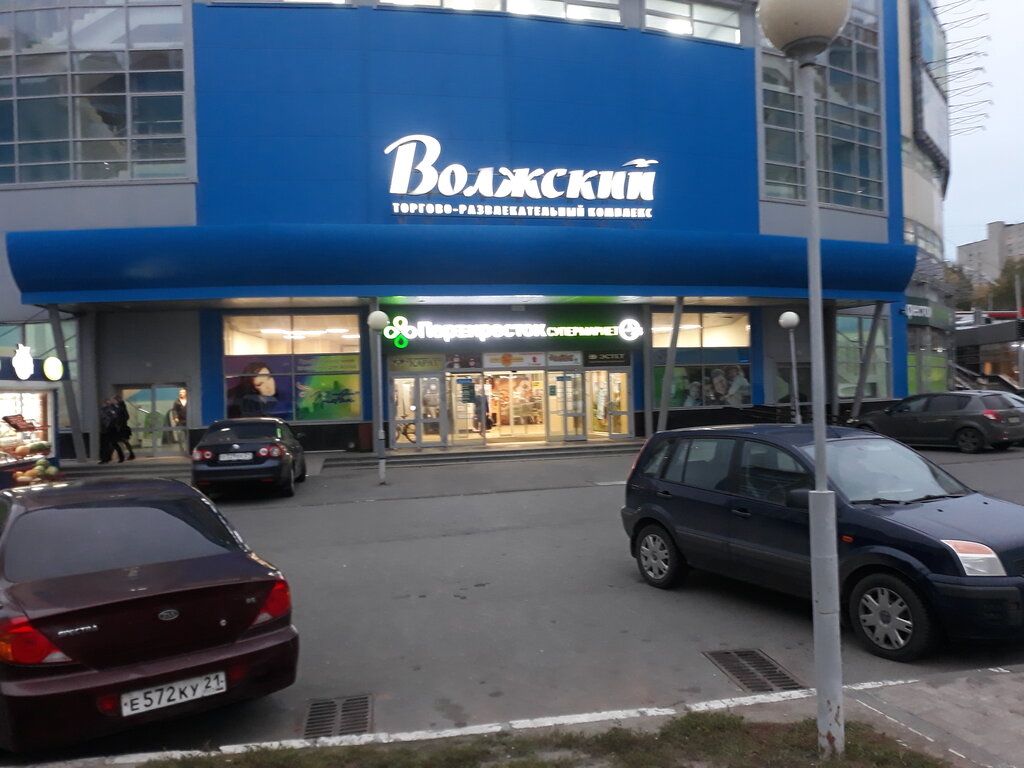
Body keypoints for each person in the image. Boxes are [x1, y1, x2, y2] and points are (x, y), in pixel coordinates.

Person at [98, 398, 124, 464]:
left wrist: (107, 426)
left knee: (107, 444)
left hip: (108, 429)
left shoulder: (108, 410)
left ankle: (106, 459)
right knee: (112, 444)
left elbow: (108, 419)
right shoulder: (109, 409)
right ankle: (107, 458)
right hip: (109, 429)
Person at [113, 395, 135, 460]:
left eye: (115, 400)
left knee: (117, 441)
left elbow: (125, 417)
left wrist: (119, 422)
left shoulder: (120, 407)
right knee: (124, 441)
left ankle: (126, 455)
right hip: (122, 427)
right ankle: (130, 454)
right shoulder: (121, 407)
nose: (114, 401)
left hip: (121, 427)